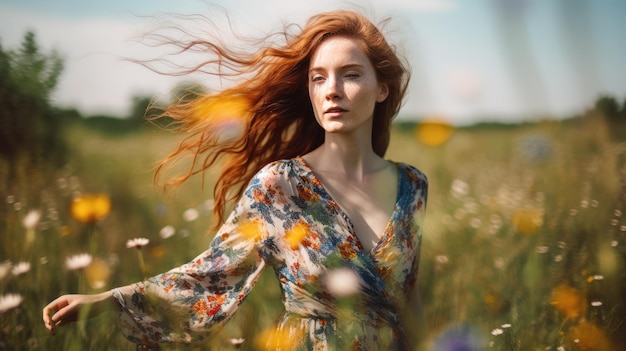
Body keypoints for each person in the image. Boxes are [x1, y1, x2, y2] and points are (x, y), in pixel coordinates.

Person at [43, 9, 428, 350]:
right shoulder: (281, 185)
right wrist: (109, 299)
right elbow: (211, 274)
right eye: (318, 78)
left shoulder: (411, 187)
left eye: (350, 75)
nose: (331, 91)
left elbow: (409, 300)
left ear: (382, 89)